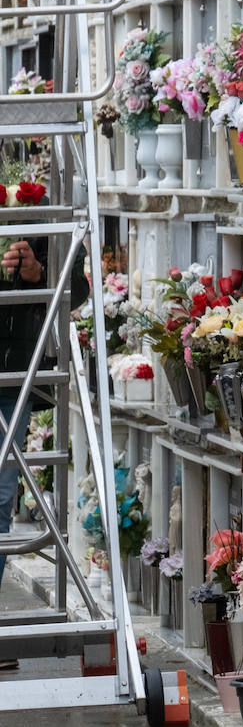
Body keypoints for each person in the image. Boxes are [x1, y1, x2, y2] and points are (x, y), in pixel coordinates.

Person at [0, 235, 88, 669]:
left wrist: (36, 275)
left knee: (0, 496)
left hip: (12, 375)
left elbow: (78, 285)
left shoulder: (40, 210)